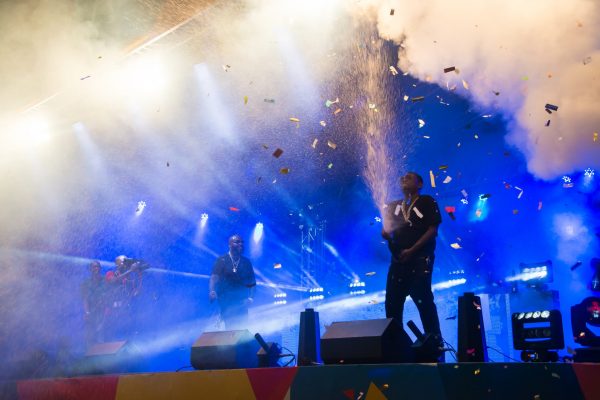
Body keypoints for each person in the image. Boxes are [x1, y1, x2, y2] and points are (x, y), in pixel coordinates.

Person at [381, 171, 443, 356]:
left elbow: (433, 230)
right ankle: (395, 349)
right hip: (399, 262)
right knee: (392, 304)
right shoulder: (394, 205)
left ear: (420, 183)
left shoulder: (426, 201)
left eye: (409, 177)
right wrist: (385, 233)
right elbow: (387, 231)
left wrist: (412, 250)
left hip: (419, 260)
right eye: (401, 177)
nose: (403, 179)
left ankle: (435, 346)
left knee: (424, 301)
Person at [209, 235, 256, 330]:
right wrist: (212, 290)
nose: (241, 244)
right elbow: (214, 277)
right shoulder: (222, 260)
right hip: (226, 300)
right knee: (229, 327)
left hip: (241, 301)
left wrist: (251, 297)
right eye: (237, 242)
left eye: (242, 242)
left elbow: (252, 282)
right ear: (229, 245)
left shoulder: (246, 262)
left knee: (242, 328)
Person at [104, 255, 144, 339]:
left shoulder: (127, 278)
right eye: (124, 263)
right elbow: (114, 280)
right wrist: (130, 270)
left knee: (126, 331)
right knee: (111, 331)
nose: (125, 265)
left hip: (125, 308)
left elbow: (135, 291)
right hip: (112, 308)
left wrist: (138, 271)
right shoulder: (110, 273)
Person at [81, 260, 107, 346]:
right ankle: (90, 351)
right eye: (93, 267)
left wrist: (106, 311)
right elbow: (84, 298)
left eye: (97, 266)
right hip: (91, 311)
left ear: (100, 268)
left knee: (101, 334)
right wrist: (87, 312)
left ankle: (102, 354)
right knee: (90, 334)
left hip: (103, 312)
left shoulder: (105, 281)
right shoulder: (86, 283)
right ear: (90, 269)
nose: (95, 268)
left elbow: (109, 297)